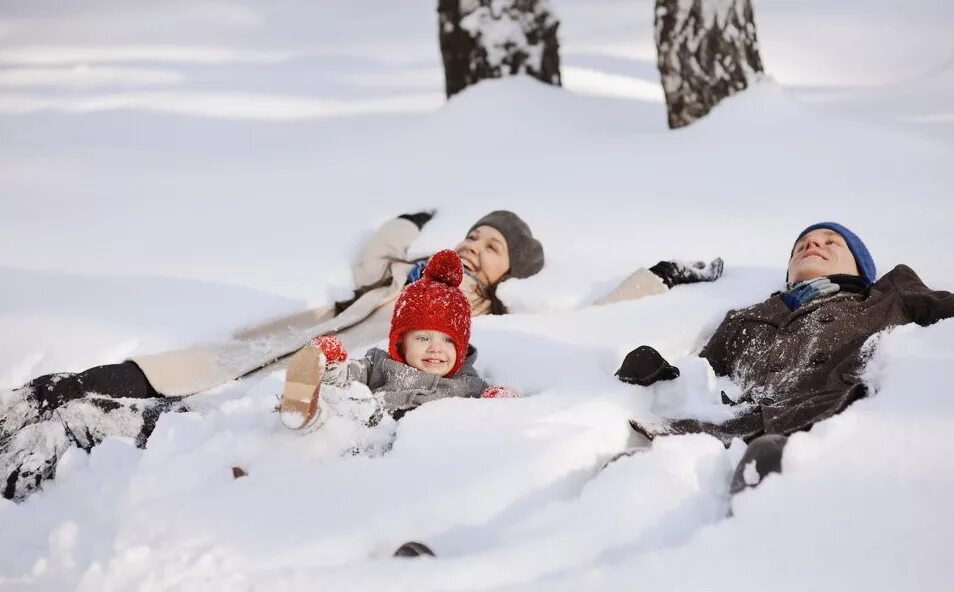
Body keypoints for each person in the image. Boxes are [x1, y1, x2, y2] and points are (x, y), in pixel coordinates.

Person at [619, 221, 954, 495]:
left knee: (766, 463)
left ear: (860, 268)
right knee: (629, 469)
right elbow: (702, 376)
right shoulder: (744, 319)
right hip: (733, 425)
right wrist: (657, 374)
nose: (812, 245)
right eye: (801, 245)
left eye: (831, 242)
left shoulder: (886, 297)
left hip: (827, 418)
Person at [279, 250, 514, 432]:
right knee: (347, 402)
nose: (436, 348)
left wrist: (497, 398)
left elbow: (488, 403)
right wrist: (331, 365)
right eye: (422, 337)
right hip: (367, 433)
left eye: (449, 341)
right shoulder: (379, 365)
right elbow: (349, 375)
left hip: (412, 452)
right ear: (400, 342)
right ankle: (307, 411)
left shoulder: (465, 382)